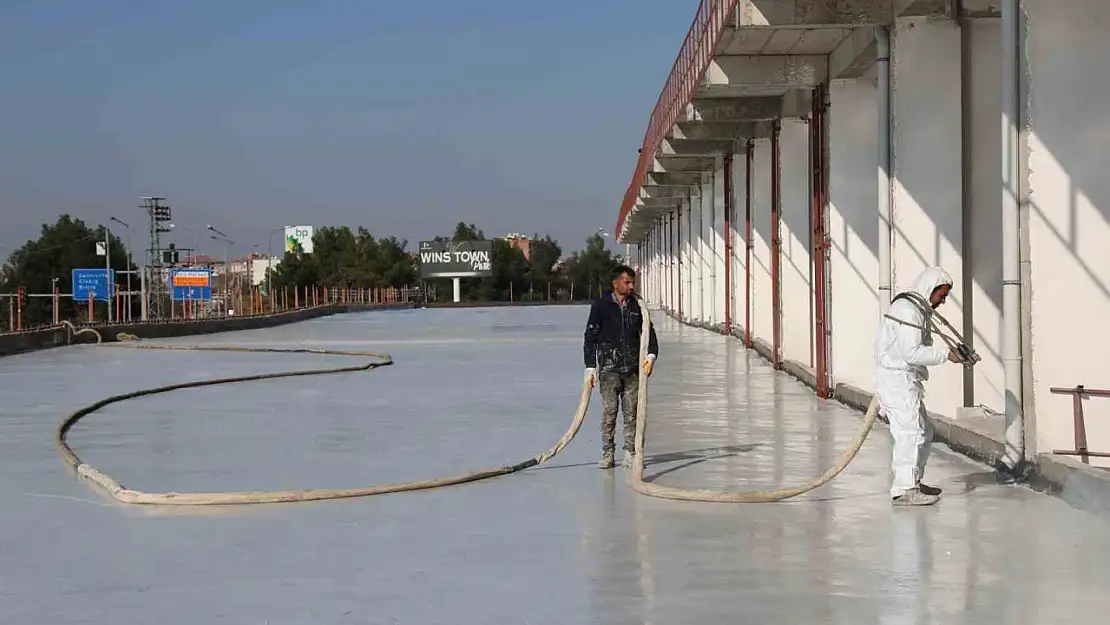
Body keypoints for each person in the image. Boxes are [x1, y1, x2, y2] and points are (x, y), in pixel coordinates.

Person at [874, 266, 966, 506]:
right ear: (930, 289)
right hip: (897, 381)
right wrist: (947, 354)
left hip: (905, 381)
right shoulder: (907, 311)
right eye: (941, 296)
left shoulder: (916, 309)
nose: (943, 301)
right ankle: (904, 489)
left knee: (923, 432)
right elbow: (911, 353)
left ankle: (913, 481)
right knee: (910, 433)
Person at [583, 265, 660, 470]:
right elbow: (590, 336)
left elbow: (649, 334)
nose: (631, 286)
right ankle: (608, 453)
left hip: (633, 369)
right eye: (626, 282)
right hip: (609, 369)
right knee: (609, 412)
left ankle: (630, 453)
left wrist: (651, 356)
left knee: (632, 413)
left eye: (633, 282)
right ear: (615, 283)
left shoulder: (638, 307)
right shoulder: (601, 306)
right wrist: (590, 366)